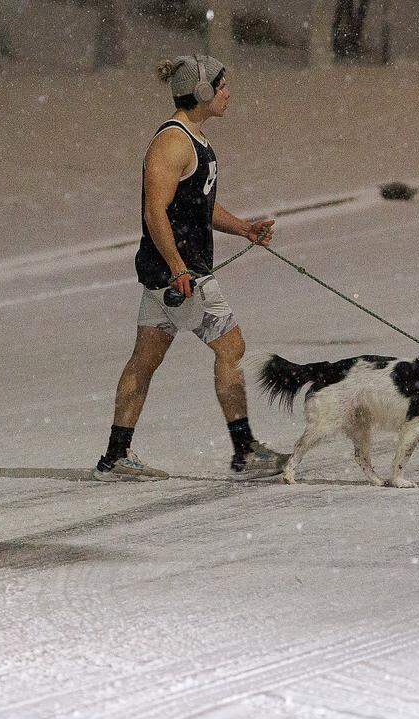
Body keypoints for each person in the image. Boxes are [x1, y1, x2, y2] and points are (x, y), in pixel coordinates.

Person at [93, 54, 287, 481]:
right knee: (231, 348)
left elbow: (199, 206)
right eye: (221, 85)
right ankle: (244, 451)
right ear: (201, 92)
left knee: (143, 362)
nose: (228, 92)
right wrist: (180, 268)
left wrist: (243, 228)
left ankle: (114, 456)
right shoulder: (173, 142)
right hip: (182, 277)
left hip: (169, 275)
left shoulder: (192, 140)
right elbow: (155, 212)